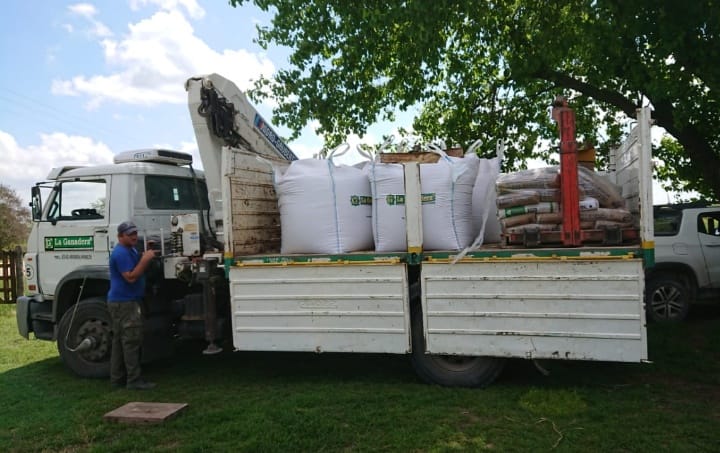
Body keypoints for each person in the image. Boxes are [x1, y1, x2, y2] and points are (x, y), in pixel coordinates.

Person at [107, 220, 158, 390]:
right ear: (120, 236)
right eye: (130, 234)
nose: (134, 236)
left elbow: (137, 264)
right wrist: (145, 259)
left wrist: (146, 254)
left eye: (135, 233)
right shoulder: (121, 253)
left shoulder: (130, 250)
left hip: (121, 301)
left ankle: (117, 378)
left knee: (119, 341)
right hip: (125, 303)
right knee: (131, 341)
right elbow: (130, 277)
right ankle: (134, 380)